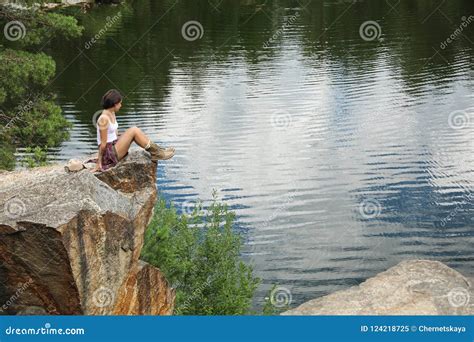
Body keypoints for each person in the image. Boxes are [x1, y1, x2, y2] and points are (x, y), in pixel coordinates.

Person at [93, 89, 175, 171]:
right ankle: (157, 153)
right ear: (114, 104)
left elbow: (113, 134)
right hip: (108, 155)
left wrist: (125, 136)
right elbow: (103, 145)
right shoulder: (103, 119)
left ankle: (158, 150)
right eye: (120, 103)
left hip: (114, 145)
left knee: (133, 131)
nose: (121, 105)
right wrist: (98, 163)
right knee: (134, 130)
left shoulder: (112, 113)